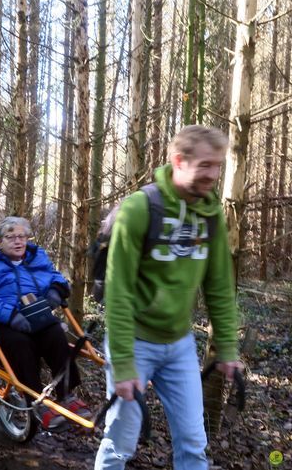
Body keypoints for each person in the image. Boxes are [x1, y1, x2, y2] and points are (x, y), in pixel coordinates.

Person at [94, 125, 243, 470]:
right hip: (132, 340)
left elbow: (219, 286)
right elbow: (118, 292)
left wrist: (227, 348)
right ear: (179, 160)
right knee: (120, 443)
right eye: (205, 165)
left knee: (194, 443)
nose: (214, 175)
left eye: (218, 165)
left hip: (178, 345)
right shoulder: (139, 209)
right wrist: (126, 365)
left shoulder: (210, 214)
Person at [0, 216, 91, 431]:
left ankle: (67, 395)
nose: (18, 241)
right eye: (10, 237)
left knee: (56, 335)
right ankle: (35, 401)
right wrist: (10, 315)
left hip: (36, 315)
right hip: (3, 321)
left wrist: (55, 291)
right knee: (20, 343)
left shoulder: (36, 257)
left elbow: (55, 277)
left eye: (22, 236)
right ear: (0, 242)